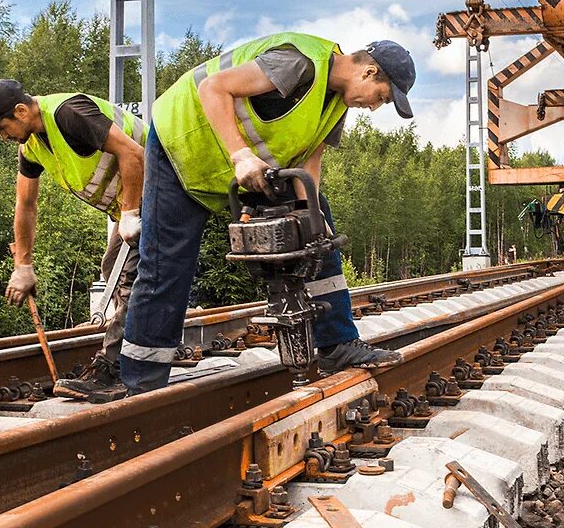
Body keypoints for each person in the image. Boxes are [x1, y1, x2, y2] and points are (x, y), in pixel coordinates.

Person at [118, 33, 415, 396]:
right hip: (182, 146)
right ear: (369, 72)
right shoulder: (299, 63)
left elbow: (311, 158)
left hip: (239, 166)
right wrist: (240, 155)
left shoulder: (337, 103)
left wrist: (311, 216)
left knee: (318, 234)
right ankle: (141, 380)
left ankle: (336, 345)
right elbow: (214, 88)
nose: (375, 107)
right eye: (382, 98)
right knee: (166, 264)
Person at [0, 79, 146, 400]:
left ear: (21, 111)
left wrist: (131, 213)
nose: (3, 136)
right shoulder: (32, 146)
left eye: (2, 127)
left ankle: (114, 369)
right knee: (113, 269)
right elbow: (25, 204)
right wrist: (23, 264)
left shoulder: (68, 113)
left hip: (161, 185)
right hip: (134, 203)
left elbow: (133, 153)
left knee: (131, 279)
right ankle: (150, 344)